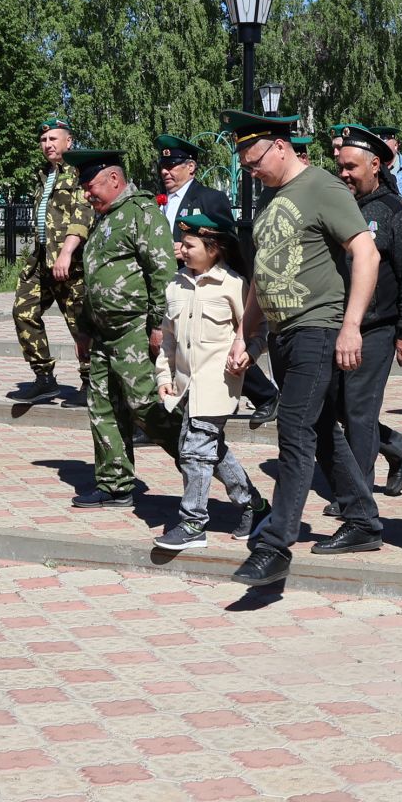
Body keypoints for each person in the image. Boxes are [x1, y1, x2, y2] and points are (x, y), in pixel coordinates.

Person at [225, 110, 381, 587]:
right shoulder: (273, 202)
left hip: (319, 328)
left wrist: (351, 325)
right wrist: (246, 334)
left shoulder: (322, 187)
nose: (250, 172)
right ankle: (362, 520)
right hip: (282, 334)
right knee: (319, 427)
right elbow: (261, 278)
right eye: (245, 165)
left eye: (253, 161)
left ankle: (274, 546)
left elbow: (366, 252)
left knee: (294, 431)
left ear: (279, 146)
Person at [65, 147, 184, 506]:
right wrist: (84, 328)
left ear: (114, 179)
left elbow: (163, 274)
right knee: (103, 407)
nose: (87, 193)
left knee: (147, 407)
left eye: (91, 185)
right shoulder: (103, 218)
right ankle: (115, 485)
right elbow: (94, 279)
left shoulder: (142, 213)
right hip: (103, 334)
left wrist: (158, 326)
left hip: (135, 330)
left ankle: (201, 459)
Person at [152, 213, 265, 550]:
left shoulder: (233, 285)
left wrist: (249, 354)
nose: (182, 250)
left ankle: (193, 522)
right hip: (186, 386)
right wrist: (163, 376)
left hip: (218, 384)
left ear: (213, 249)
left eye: (189, 245)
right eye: (182, 244)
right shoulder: (176, 284)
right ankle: (253, 504)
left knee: (194, 452)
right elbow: (167, 340)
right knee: (209, 450)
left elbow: (257, 331)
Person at [326, 125, 402, 506]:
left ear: (376, 165)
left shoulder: (395, 212)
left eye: (352, 167)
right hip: (337, 325)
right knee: (335, 405)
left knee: (359, 410)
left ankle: (356, 494)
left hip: (378, 328)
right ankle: (396, 446)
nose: (345, 174)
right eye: (341, 168)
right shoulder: (339, 206)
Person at [157, 132, 278, 420]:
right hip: (176, 286)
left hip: (210, 284)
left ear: (191, 167)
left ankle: (265, 395)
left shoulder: (210, 198)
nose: (166, 172)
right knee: (178, 345)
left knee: (217, 345)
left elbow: (227, 241)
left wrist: (194, 252)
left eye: (173, 166)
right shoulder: (157, 202)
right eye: (163, 167)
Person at [13, 117, 92, 404]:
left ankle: (90, 382)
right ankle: (44, 378)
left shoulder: (80, 172)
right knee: (23, 311)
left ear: (68, 142)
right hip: (41, 261)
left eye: (53, 139)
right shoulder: (44, 174)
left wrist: (67, 252)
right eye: (44, 140)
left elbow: (83, 215)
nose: (47, 145)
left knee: (80, 324)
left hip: (72, 264)